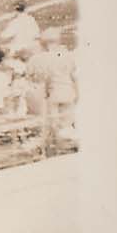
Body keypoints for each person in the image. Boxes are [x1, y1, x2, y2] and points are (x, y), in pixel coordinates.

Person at [26, 26, 78, 154]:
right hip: (68, 92)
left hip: (52, 95)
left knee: (53, 124)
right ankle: (67, 147)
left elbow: (31, 76)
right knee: (66, 124)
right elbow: (73, 75)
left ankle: (57, 148)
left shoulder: (39, 58)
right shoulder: (67, 56)